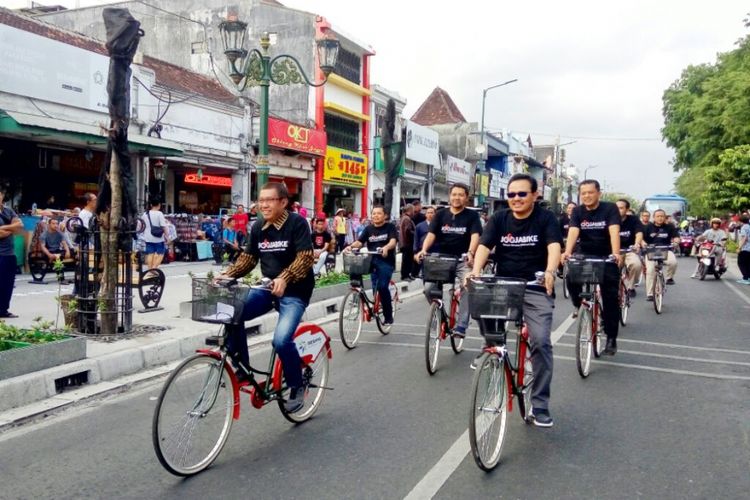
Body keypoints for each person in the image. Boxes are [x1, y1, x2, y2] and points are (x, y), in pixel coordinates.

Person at [469, 173, 562, 427]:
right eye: (511, 194)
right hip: (504, 284)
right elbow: (485, 246)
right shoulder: (499, 218)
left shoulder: (546, 218)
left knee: (541, 342)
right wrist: (476, 271)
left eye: (522, 194)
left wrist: (551, 271)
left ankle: (540, 403)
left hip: (534, 286)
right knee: (479, 302)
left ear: (534, 195)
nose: (516, 199)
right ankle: (490, 346)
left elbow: (554, 246)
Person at [220, 182, 315, 413]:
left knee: (281, 340)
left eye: (269, 200)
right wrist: (226, 274)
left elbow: (305, 258)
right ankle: (242, 368)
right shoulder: (259, 226)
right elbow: (249, 258)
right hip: (266, 289)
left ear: (283, 202)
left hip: (294, 292)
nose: (263, 204)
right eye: (261, 200)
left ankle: (296, 383)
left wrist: (285, 277)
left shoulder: (297, 223)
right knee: (231, 312)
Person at [562, 180, 622, 355]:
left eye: (590, 192)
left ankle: (611, 338)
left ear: (598, 193)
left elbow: (614, 231)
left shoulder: (610, 209)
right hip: (585, 253)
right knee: (571, 278)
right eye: (584, 193)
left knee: (610, 298)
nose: (587, 196)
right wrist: (567, 251)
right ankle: (579, 305)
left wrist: (616, 253)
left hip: (606, 256)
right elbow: (573, 231)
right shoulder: (578, 211)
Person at [415, 183, 482, 338]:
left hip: (462, 260)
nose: (456, 197)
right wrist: (424, 250)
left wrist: (471, 253)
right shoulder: (440, 214)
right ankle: (439, 314)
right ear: (449, 196)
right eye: (454, 194)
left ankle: (461, 325)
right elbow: (431, 235)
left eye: (460, 195)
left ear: (466, 198)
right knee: (428, 289)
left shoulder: (472, 216)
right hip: (443, 259)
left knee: (467, 285)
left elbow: (475, 236)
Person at [344, 205, 398, 332]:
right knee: (356, 268)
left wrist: (386, 248)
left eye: (379, 213)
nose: (376, 216)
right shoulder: (368, 229)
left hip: (386, 261)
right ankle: (357, 291)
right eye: (373, 213)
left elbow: (393, 241)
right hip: (371, 260)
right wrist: (351, 246)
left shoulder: (390, 227)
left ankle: (388, 315)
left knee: (382, 287)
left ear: (385, 215)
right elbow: (360, 242)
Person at [643, 209, 680, 296]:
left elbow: (676, 237)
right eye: (658, 216)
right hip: (651, 251)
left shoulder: (670, 226)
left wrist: (676, 242)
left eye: (662, 216)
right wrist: (643, 244)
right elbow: (641, 239)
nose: (660, 218)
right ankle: (650, 294)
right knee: (650, 270)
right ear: (654, 217)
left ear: (665, 217)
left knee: (673, 262)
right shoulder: (647, 227)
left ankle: (669, 278)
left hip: (665, 250)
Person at [0, 188, 22, 318]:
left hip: (10, 254)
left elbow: (19, 224)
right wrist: (11, 229)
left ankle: (3, 310)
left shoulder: (8, 210)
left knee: (8, 284)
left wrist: (4, 227)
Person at [616, 199, 644, 297]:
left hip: (629, 250)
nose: (618, 210)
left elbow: (639, 233)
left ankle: (631, 287)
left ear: (627, 209)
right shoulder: (609, 220)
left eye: (621, 208)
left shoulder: (633, 219)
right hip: (614, 251)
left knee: (636, 265)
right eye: (616, 208)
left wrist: (637, 243)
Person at [141, 198, 168, 271]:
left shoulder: (145, 214)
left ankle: (149, 269)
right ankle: (154, 268)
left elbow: (141, 225)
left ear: (151, 205)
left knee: (150, 253)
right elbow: (163, 226)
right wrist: (167, 236)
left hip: (148, 237)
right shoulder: (159, 214)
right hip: (158, 238)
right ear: (159, 205)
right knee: (161, 253)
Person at [399, 204, 416, 281]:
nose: (414, 212)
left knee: (408, 260)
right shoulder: (406, 219)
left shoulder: (404, 218)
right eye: (413, 210)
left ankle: (407, 275)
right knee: (406, 260)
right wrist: (415, 234)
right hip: (407, 243)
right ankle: (405, 275)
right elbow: (408, 231)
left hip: (405, 243)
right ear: (409, 210)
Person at [737, 216, 750, 284]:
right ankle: (748, 278)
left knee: (741, 263)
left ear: (741, 221)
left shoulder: (744, 227)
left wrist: (739, 248)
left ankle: (745, 278)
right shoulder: (749, 226)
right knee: (748, 264)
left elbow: (744, 238)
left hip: (745, 248)